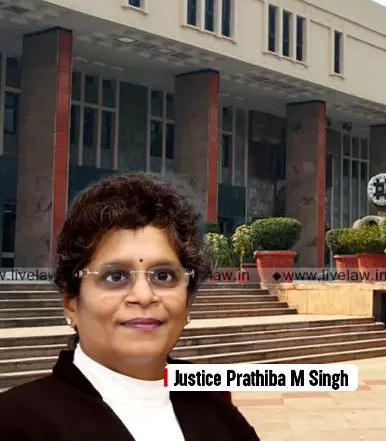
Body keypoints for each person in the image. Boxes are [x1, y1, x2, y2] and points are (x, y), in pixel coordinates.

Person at [0, 173, 260, 441]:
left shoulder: (223, 419)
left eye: (163, 276)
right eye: (116, 276)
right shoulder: (14, 424)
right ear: (70, 303)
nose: (144, 296)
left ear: (188, 301)